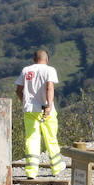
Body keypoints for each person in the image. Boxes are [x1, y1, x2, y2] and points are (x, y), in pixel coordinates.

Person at [16, 49, 63, 178]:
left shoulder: (26, 70)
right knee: (50, 138)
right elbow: (50, 87)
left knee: (31, 139)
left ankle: (31, 171)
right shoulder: (50, 70)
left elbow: (18, 90)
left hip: (30, 110)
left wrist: (25, 102)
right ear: (46, 59)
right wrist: (48, 105)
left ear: (34, 59)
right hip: (46, 109)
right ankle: (56, 167)